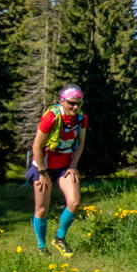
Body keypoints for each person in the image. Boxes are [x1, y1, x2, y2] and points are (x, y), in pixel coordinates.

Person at [25, 85, 87, 256]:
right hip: (43, 166)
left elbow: (80, 144)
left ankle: (60, 238)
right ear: (63, 101)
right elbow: (37, 146)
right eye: (71, 103)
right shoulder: (51, 118)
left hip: (64, 166)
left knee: (74, 202)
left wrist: (73, 165)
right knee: (42, 208)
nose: (75, 107)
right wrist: (43, 173)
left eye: (78, 104)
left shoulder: (81, 119)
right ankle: (41, 247)